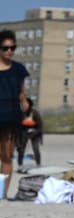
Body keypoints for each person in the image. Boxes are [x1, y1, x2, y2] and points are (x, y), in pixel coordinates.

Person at [0, 30, 30, 199]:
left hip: (11, 117)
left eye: (12, 48)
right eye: (5, 48)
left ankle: (2, 193)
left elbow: (21, 92)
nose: (9, 51)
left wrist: (24, 102)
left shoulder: (18, 69)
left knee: (7, 156)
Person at [17, 97, 42, 170]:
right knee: (21, 149)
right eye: (22, 104)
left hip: (35, 132)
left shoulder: (35, 113)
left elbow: (40, 126)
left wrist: (33, 134)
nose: (23, 106)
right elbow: (18, 126)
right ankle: (20, 165)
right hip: (24, 133)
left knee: (36, 149)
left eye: (25, 104)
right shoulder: (20, 114)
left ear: (29, 105)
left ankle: (38, 164)